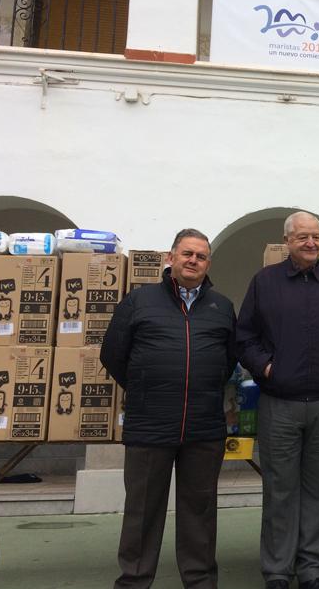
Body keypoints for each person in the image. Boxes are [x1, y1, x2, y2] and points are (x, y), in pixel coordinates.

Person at [101, 228, 237, 589]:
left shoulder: (221, 307)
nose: (193, 260)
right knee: (142, 513)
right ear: (171, 257)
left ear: (208, 263)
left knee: (200, 512)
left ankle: (200, 581)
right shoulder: (139, 301)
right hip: (150, 425)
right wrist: (146, 388)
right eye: (187, 253)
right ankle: (133, 581)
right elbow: (112, 354)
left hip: (204, 427)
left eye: (201, 256)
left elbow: (228, 361)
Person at [236, 211, 319, 589]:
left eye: (316, 238)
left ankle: (311, 569)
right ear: (288, 241)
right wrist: (268, 368)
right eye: (302, 237)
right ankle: (277, 570)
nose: (310, 243)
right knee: (280, 489)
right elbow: (244, 337)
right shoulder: (265, 283)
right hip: (280, 404)